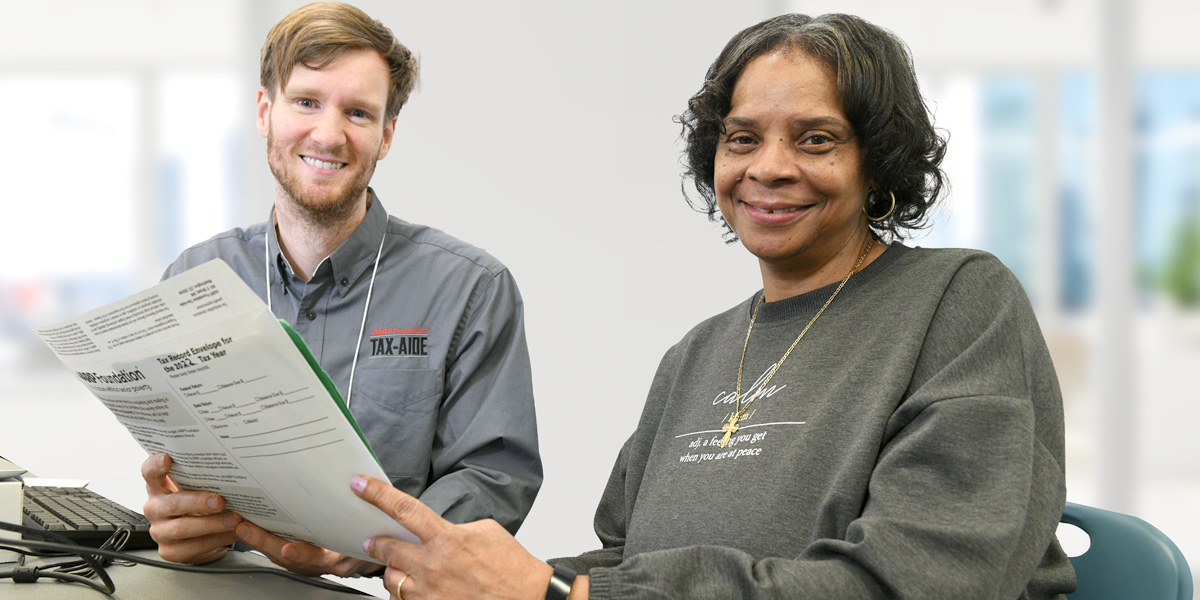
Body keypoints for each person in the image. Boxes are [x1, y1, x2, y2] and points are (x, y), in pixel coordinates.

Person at [347, 12, 1077, 599]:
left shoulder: (960, 302)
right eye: (742, 138)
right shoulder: (695, 355)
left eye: (816, 139)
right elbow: (625, 560)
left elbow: (924, 582)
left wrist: (552, 595)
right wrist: (467, 574)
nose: (769, 167)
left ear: (877, 160)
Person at [139, 1, 542, 578]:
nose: (328, 135)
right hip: (224, 585)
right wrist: (176, 515)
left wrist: (374, 544)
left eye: (357, 112)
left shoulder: (472, 289)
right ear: (264, 110)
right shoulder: (193, 277)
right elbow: (177, 466)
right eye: (306, 102)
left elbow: (497, 480)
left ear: (387, 134)